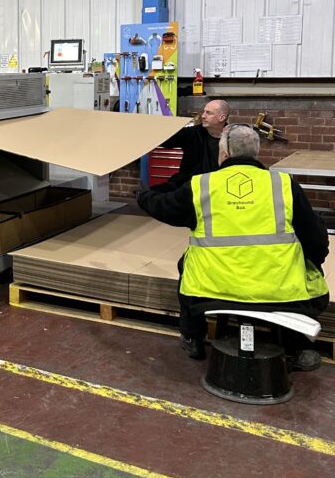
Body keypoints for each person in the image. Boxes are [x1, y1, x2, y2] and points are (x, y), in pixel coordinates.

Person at [138, 124, 330, 370]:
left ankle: (192, 338)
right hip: (280, 291)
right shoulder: (282, 184)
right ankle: (300, 346)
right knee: (309, 273)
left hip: (209, 291)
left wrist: (144, 196)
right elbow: (315, 238)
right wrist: (312, 261)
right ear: (256, 153)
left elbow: (165, 207)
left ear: (225, 154)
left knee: (186, 265)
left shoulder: (202, 185)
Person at [152, 99, 231, 191]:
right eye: (204, 112)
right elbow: (167, 141)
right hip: (190, 186)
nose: (203, 116)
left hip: (219, 188)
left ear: (222, 118)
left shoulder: (233, 139)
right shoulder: (193, 133)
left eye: (209, 113)